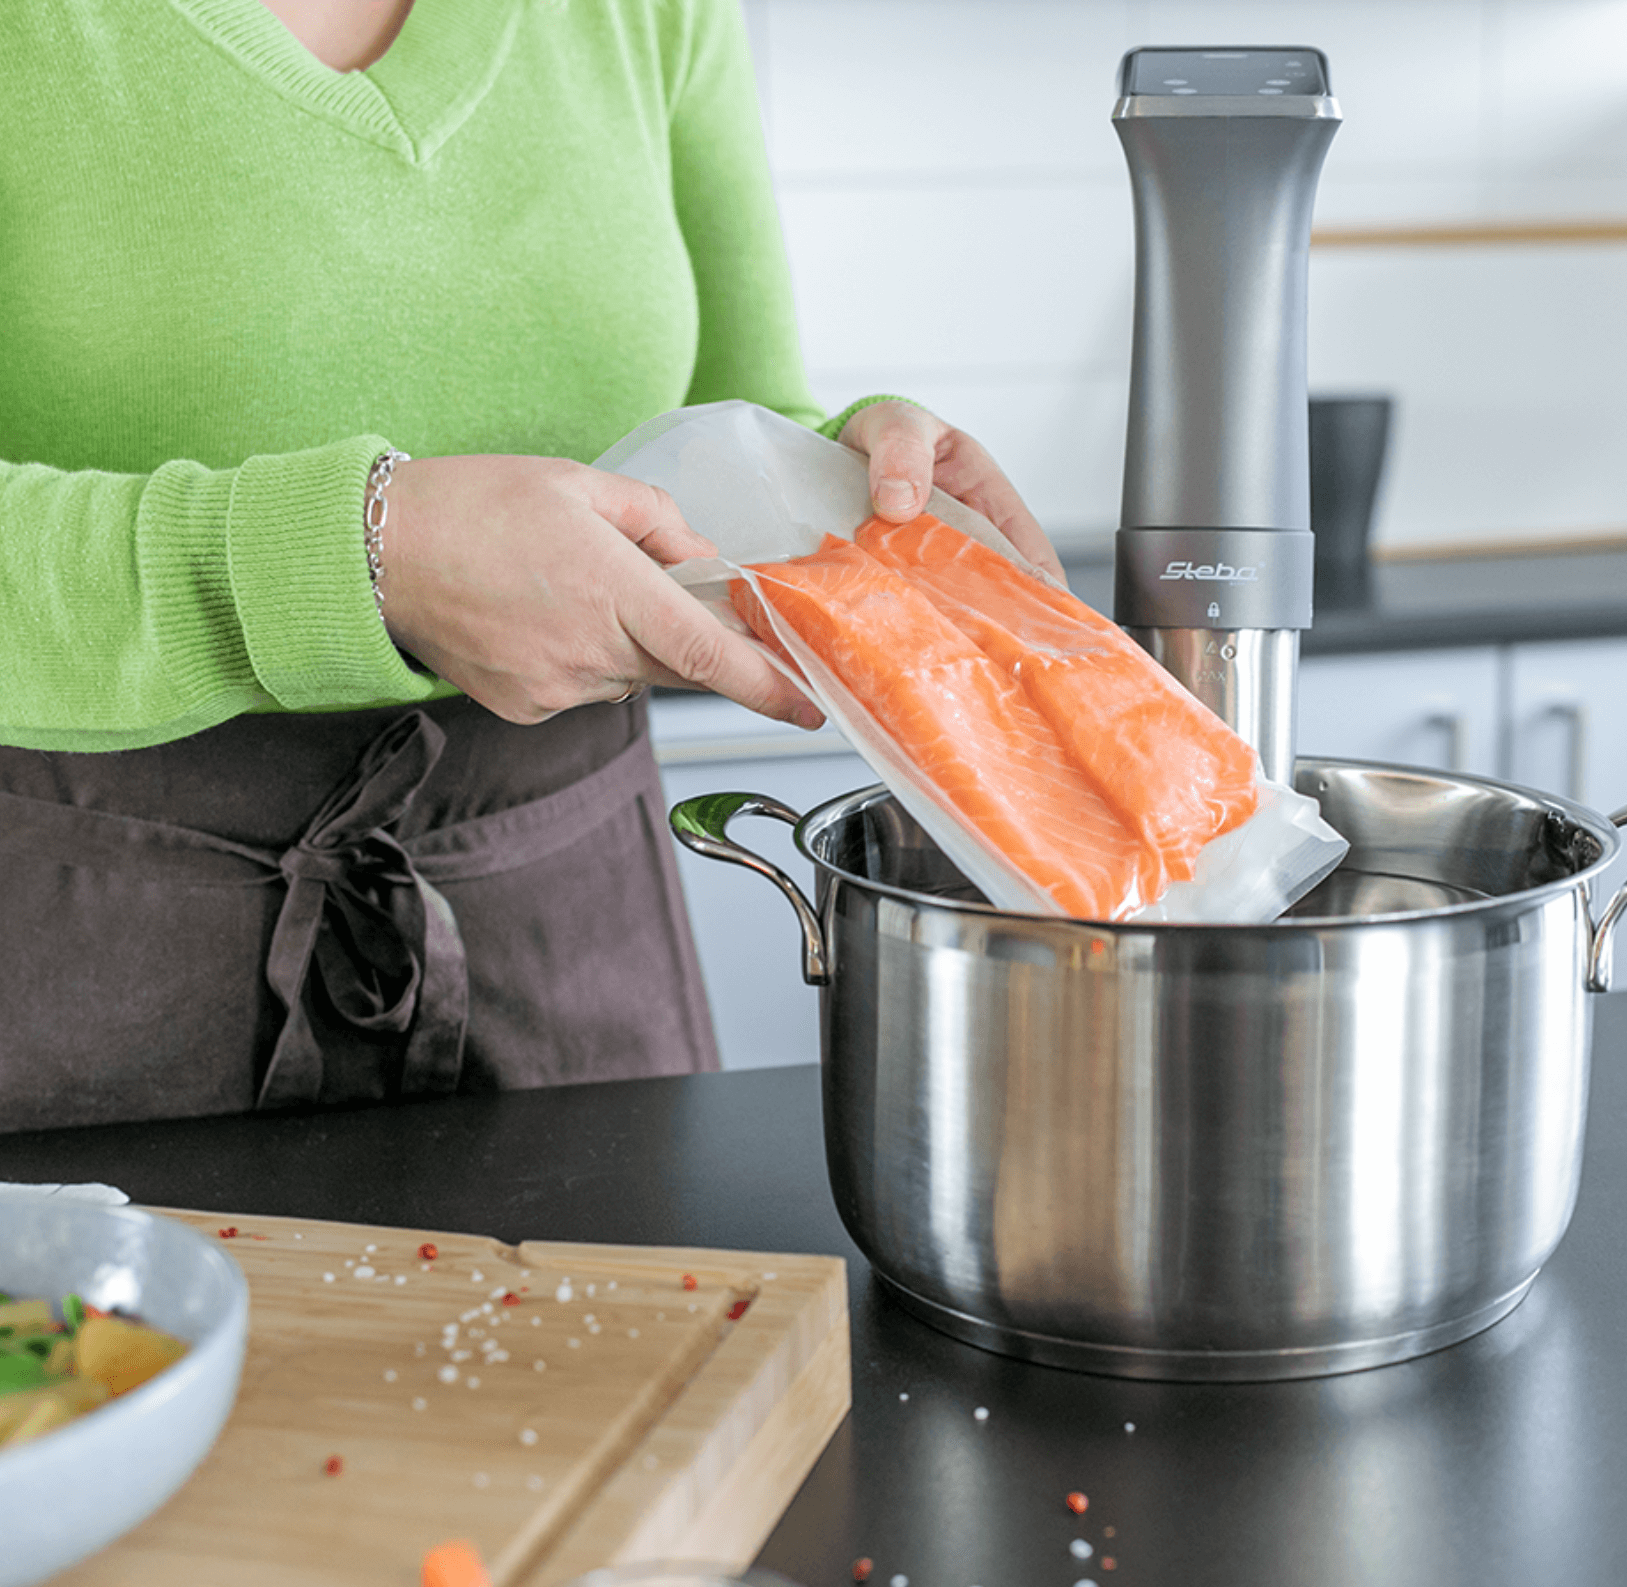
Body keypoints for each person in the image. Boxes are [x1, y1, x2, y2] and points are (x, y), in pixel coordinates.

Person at [0, 0, 1061, 1134]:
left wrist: (852, 481)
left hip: (567, 930)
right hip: (80, 940)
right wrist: (361, 555)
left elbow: (738, 422)